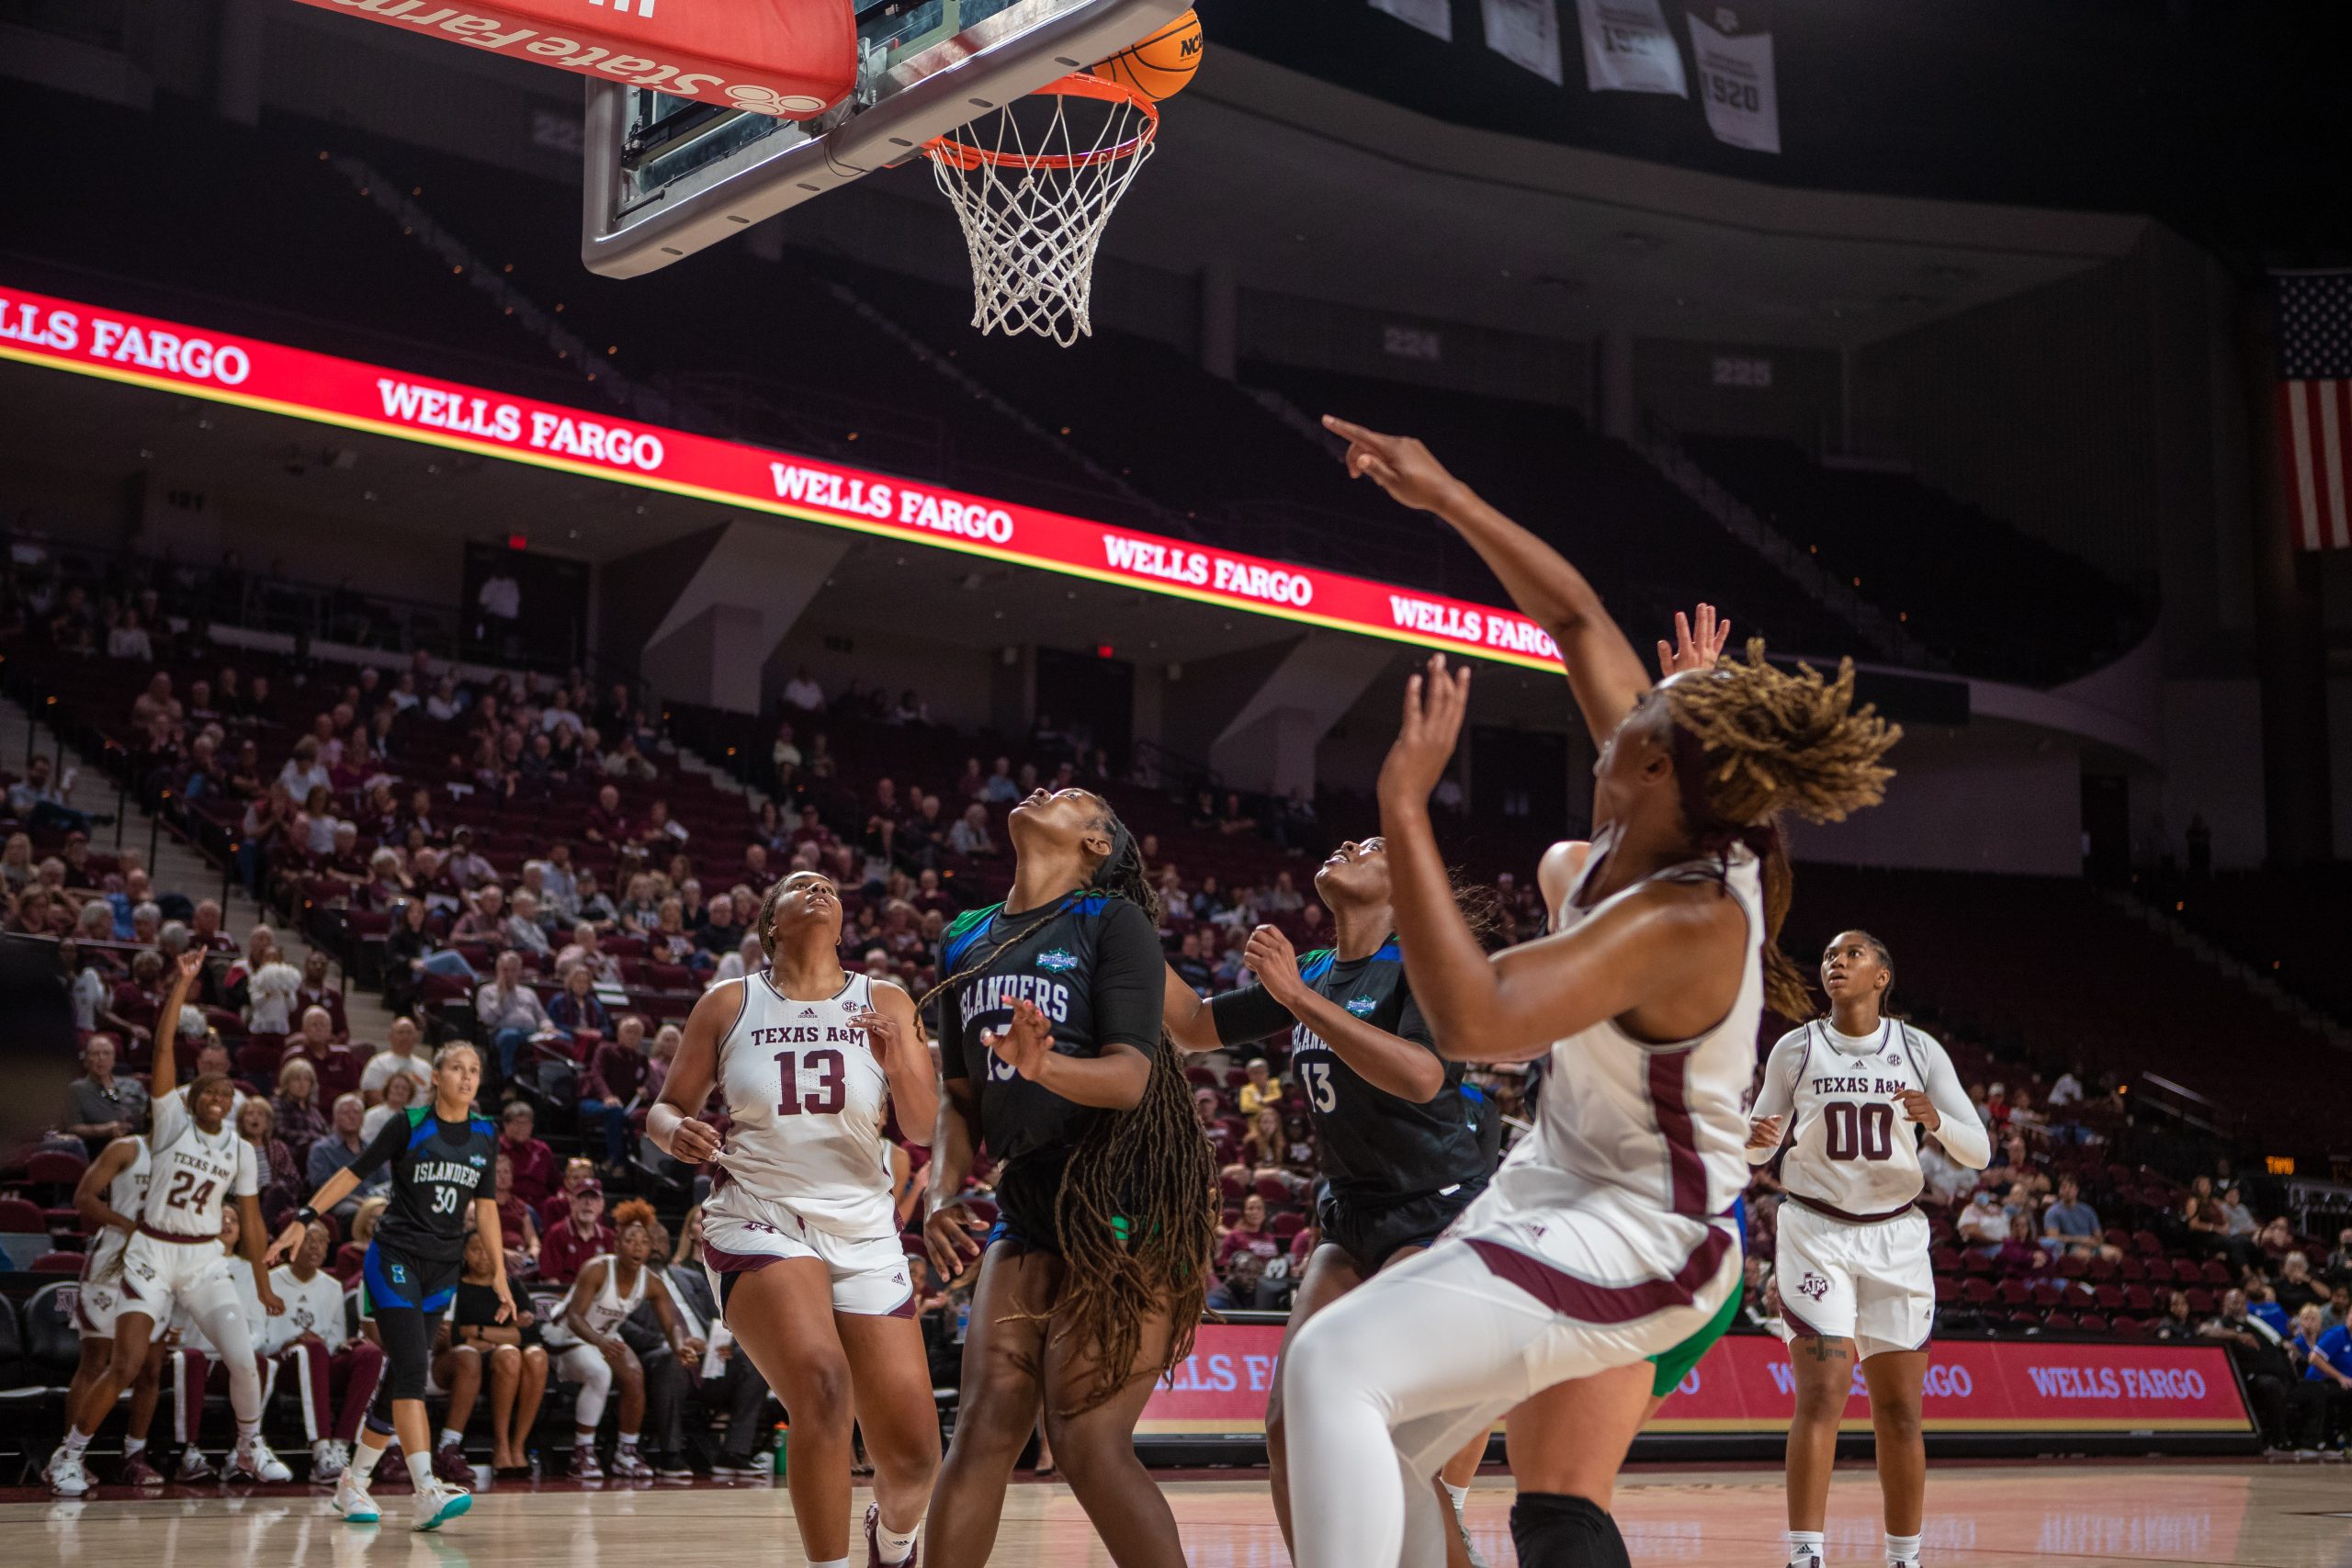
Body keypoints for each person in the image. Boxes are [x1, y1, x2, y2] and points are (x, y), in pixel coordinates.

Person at [1279, 419, 1897, 1568]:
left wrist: (1405, 811)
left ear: (1666, 769)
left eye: (1644, 725)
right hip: (1555, 1183)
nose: (1611, 726)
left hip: (1648, 1229)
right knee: (1384, 1434)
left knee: (1334, 1364)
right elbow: (1571, 617)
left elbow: (1470, 1020)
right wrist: (1447, 490)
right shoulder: (1657, 808)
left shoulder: (1687, 914)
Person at [1162, 832, 1505, 1561]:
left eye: (1374, 845)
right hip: (1351, 1213)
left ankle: (1449, 1540)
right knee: (1288, 1422)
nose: (1349, 842)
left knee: (1404, 1439)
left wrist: (1295, 1000)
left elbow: (1421, 1074)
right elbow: (1193, 1027)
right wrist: (1126, 931)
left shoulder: (1424, 965)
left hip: (1438, 1208)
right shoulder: (1315, 967)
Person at [920, 788, 1219, 1568]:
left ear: (1095, 843)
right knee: (984, 1426)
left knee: (1086, 1436)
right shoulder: (963, 936)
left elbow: (1127, 1076)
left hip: (1123, 1192)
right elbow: (957, 1095)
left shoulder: (1113, 924)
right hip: (1028, 1196)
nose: (1046, 791)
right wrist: (943, 1190)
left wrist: (1042, 1063)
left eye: (1072, 796)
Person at [650, 868, 941, 1566]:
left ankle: (891, 1544)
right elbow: (664, 1106)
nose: (821, 890)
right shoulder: (727, 1003)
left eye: (832, 887)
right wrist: (673, 1132)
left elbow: (926, 1124)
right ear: (770, 922)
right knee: (822, 1382)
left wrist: (899, 1056)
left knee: (915, 1459)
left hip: (865, 1228)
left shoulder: (888, 999)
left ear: (844, 925)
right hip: (759, 1212)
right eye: (801, 884)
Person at [1745, 931, 1989, 1568]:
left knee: (1901, 1410)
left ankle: (1904, 1556)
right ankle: (1805, 1554)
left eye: (1853, 953)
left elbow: (1979, 1149)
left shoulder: (1918, 1048)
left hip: (1896, 1235)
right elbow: (1756, 1148)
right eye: (1830, 954)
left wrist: (1934, 1119)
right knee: (1823, 1393)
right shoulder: (1795, 1049)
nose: (1837, 961)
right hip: (1816, 1229)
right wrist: (1756, 1137)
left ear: (1883, 974)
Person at [46, 953, 291, 1497]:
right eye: (209, 1092)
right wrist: (182, 985)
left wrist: (266, 1282)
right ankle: (69, 1455)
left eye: (227, 1094)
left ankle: (250, 1446)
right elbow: (161, 1048)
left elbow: (251, 1225)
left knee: (244, 1359)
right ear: (190, 1099)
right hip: (152, 1253)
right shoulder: (170, 1126)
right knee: (125, 1364)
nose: (219, 1099)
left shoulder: (242, 1150)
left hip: (204, 1258)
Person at [264, 1042, 513, 1530]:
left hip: (443, 1268)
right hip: (395, 1258)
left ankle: (352, 1483)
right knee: (414, 1369)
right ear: (435, 1077)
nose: (466, 1077)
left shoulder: (486, 1133)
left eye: (474, 1070)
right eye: (456, 1068)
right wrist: (305, 1216)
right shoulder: (409, 1124)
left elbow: (485, 1208)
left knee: (402, 1375)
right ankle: (426, 1490)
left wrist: (500, 1273)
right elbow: (352, 1174)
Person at [543, 1218, 701, 1479]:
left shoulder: (651, 1282)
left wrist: (679, 1346)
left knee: (634, 1373)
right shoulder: (597, 1269)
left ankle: (625, 1451)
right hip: (564, 1336)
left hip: (603, 1337)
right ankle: (581, 1453)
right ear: (616, 1244)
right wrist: (600, 1342)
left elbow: (670, 1325)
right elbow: (574, 1317)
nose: (637, 1248)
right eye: (630, 1241)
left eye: (644, 1242)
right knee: (600, 1373)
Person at [63, 1133, 171, 1485]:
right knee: (96, 1361)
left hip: (159, 1266)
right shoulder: (127, 1148)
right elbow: (84, 1197)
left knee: (151, 1368)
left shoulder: (187, 1156)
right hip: (114, 1260)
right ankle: (70, 1457)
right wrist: (128, 1226)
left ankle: (134, 1456)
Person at [264, 1217, 388, 1481]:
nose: (316, 1247)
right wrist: (291, 1341)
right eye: (309, 1239)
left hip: (320, 1360)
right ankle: (320, 1449)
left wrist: (343, 1345)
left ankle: (341, 1447)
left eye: (323, 1242)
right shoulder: (269, 1281)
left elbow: (333, 1340)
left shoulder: (332, 1286)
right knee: (312, 1350)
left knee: (368, 1353)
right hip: (282, 1363)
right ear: (292, 1243)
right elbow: (257, 1341)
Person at [449, 1225, 549, 1476]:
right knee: (509, 1353)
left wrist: (477, 1331)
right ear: (463, 1254)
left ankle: (519, 1445)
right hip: (472, 1365)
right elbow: (454, 1335)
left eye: (488, 1250)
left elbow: (531, 1334)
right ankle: (501, 1444)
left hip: (505, 1357)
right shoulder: (455, 1287)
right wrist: (506, 1335)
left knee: (537, 1356)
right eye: (475, 1250)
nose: (482, 1256)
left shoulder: (512, 1286)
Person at [62, 1032, 149, 1156]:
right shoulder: (77, 1089)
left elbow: (149, 1115)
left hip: (138, 1146)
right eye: (95, 1054)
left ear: (114, 1059)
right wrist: (104, 1130)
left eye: (107, 1053)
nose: (101, 1058)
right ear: (86, 1060)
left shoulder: (132, 1085)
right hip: (100, 1150)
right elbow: (72, 1127)